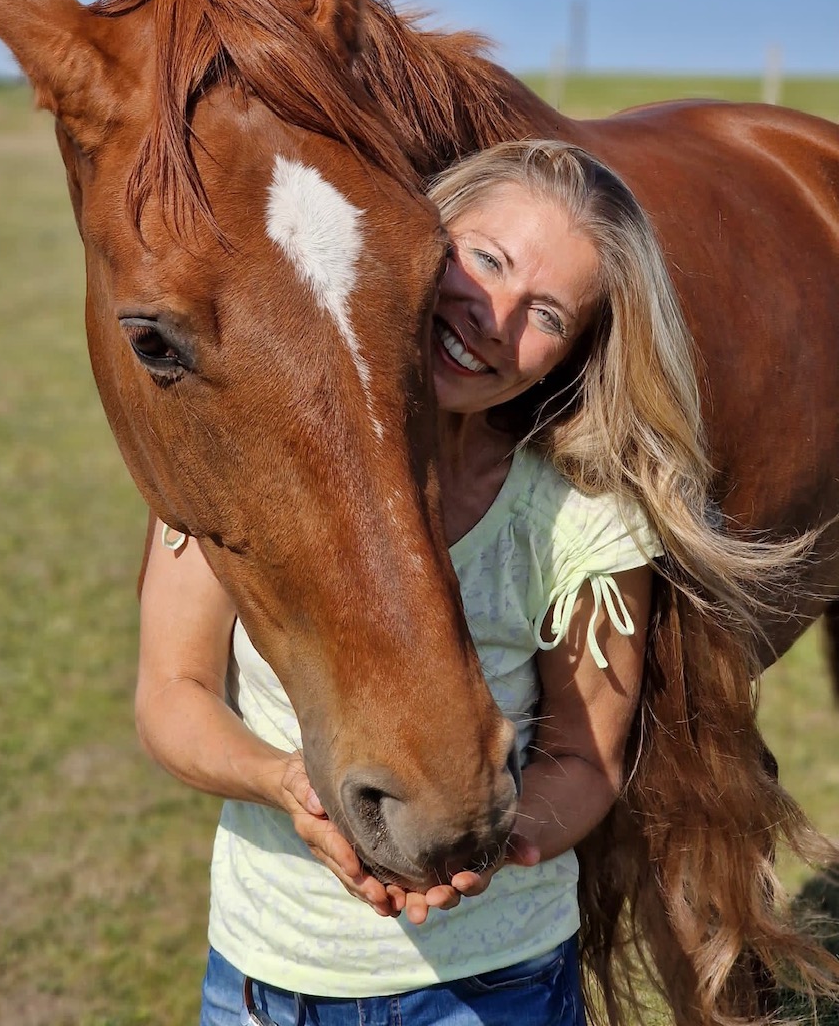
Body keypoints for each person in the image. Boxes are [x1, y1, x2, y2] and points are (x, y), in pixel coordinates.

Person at [136, 141, 836, 1026]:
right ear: (418, 238)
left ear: (572, 351)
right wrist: (282, 783)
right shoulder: (245, 456)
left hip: (496, 987)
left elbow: (587, 757)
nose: (491, 319)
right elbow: (173, 691)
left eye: (544, 311)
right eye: (486, 260)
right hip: (266, 975)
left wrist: (498, 839)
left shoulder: (582, 519)